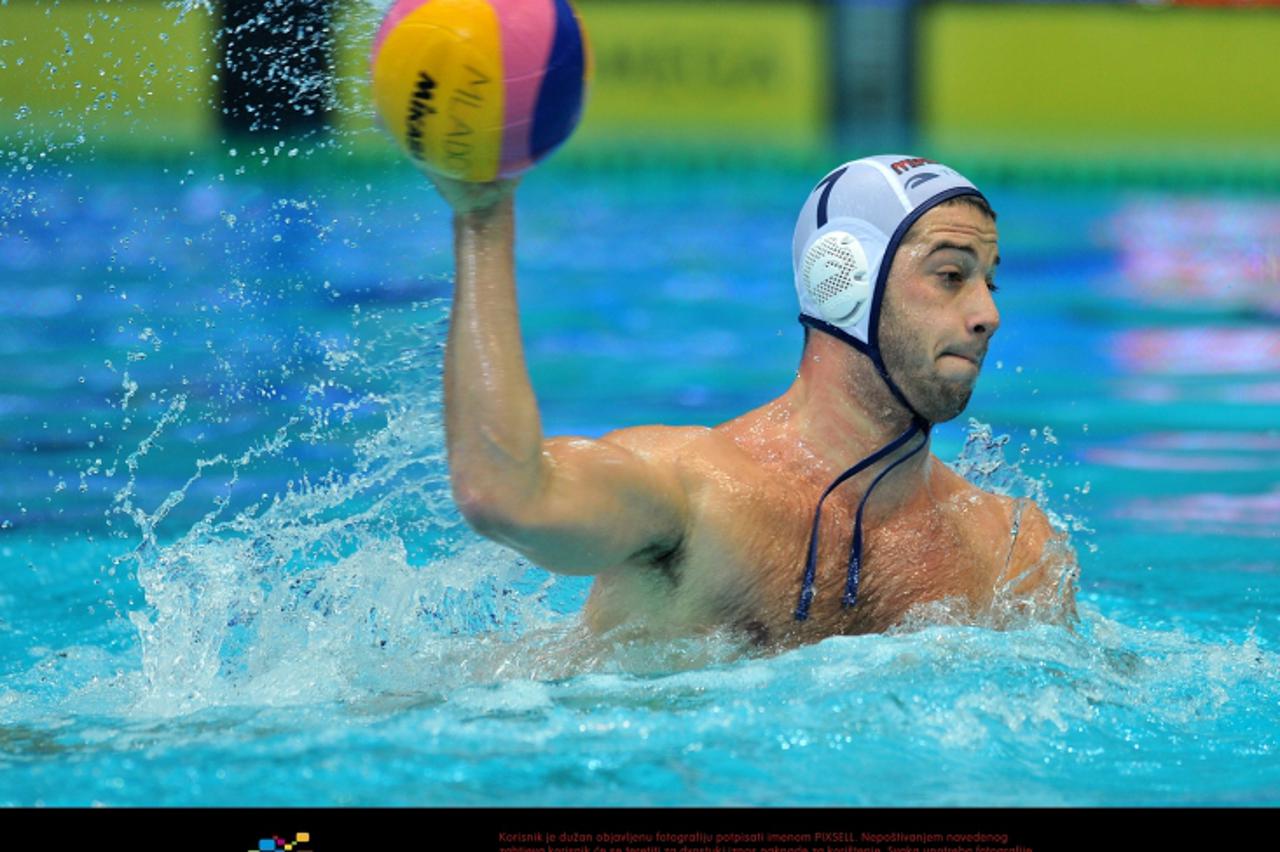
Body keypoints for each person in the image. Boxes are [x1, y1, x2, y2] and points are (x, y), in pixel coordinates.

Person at [435, 154, 1076, 649]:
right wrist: (482, 216)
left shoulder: (1012, 552)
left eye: (990, 282)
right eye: (951, 275)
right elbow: (504, 495)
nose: (988, 313)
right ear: (843, 280)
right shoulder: (692, 494)